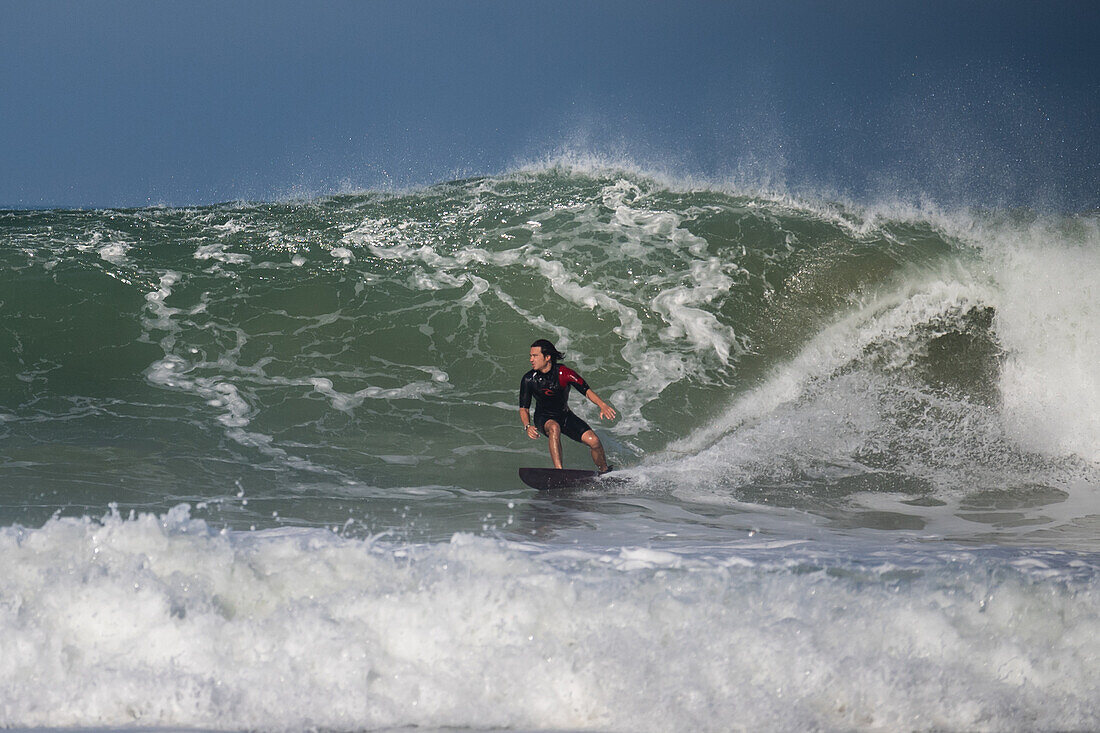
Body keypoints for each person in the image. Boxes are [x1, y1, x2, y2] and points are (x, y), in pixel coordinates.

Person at [519, 339, 617, 472]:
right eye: (530, 356)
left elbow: (586, 391)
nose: (531, 359)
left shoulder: (564, 373)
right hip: (543, 418)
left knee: (594, 441)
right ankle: (559, 472)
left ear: (547, 357)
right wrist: (527, 425)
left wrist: (602, 405)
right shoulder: (529, 379)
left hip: (565, 416)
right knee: (554, 427)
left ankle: (605, 471)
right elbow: (524, 408)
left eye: (535, 356)